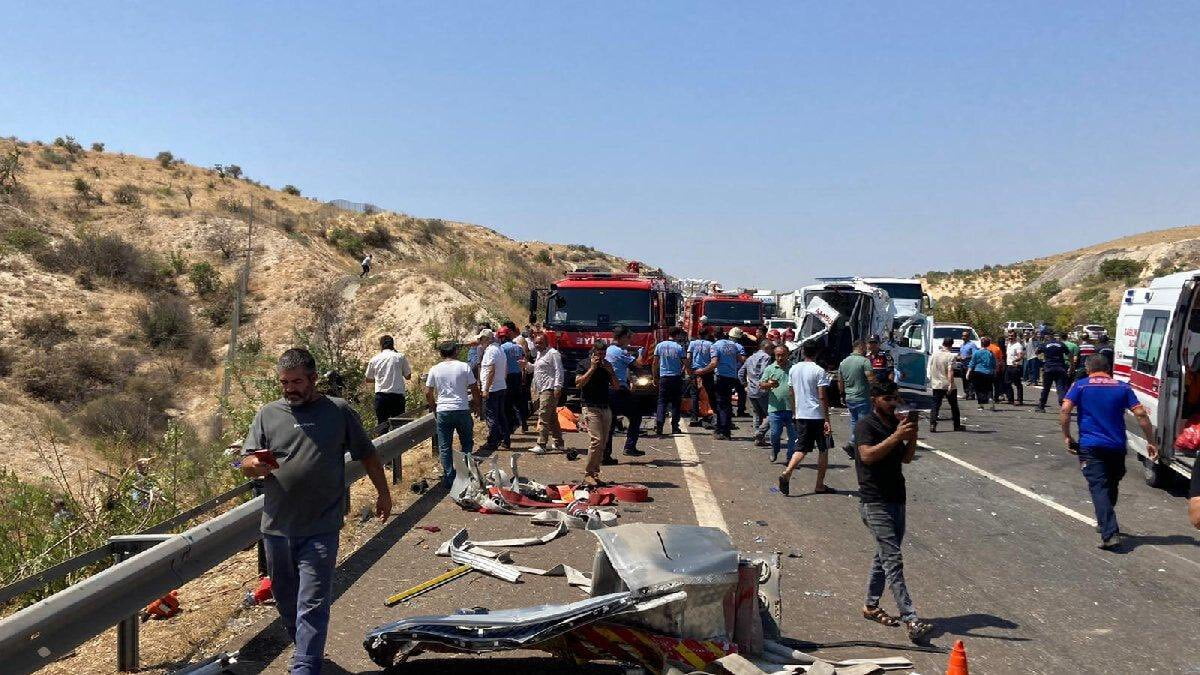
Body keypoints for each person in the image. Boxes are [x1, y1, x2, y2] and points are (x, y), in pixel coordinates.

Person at [240, 348, 391, 675]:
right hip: (277, 528)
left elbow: (368, 455)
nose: (290, 388)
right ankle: (307, 653)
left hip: (321, 526)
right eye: (284, 382)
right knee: (287, 601)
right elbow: (246, 460)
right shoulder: (268, 414)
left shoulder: (338, 411)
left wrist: (383, 493)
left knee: (313, 602)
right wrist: (252, 465)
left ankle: (304, 667)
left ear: (313, 378)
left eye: (297, 381)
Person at [853, 380, 932, 641]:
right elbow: (866, 456)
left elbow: (906, 458)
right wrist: (897, 436)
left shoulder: (893, 424)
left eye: (896, 399)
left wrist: (912, 434)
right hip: (874, 501)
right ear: (875, 399)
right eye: (889, 399)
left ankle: (871, 605)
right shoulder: (866, 425)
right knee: (893, 559)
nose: (894, 403)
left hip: (897, 498)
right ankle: (910, 617)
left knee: (883, 556)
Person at [1061, 354, 1159, 549]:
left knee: (1099, 487)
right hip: (1116, 446)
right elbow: (1140, 413)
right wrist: (1151, 441)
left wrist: (1067, 436)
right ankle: (1106, 522)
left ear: (1088, 369)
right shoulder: (1122, 387)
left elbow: (1065, 410)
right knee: (1111, 482)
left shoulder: (1080, 386)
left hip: (1090, 445)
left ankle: (1110, 533)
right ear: (1109, 369)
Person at [778, 342, 834, 495]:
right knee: (823, 449)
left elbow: (791, 392)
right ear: (816, 354)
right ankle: (819, 485)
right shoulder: (819, 371)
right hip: (817, 415)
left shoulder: (794, 369)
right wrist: (827, 419)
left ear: (803, 352)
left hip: (801, 414)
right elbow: (822, 396)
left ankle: (787, 472)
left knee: (801, 448)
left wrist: (795, 412)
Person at [424, 341, 480, 487]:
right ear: (455, 352)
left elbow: (428, 392)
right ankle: (465, 475)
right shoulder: (464, 366)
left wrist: (434, 406)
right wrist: (477, 405)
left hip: (443, 410)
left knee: (445, 446)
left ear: (441, 354)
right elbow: (474, 388)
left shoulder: (435, 369)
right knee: (466, 443)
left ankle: (449, 478)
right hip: (462, 409)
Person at [576, 341, 619, 486]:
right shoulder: (584, 364)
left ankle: (595, 473)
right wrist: (592, 369)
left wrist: (611, 372)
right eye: (598, 354)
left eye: (603, 354)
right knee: (596, 440)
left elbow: (616, 386)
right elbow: (579, 383)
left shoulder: (607, 365)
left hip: (605, 407)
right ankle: (588, 473)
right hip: (590, 407)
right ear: (593, 352)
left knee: (603, 442)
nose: (601, 357)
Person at [605, 325, 649, 459]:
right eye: (628, 337)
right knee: (636, 416)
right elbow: (638, 365)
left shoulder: (610, 349)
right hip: (619, 390)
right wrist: (641, 353)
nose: (629, 340)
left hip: (608, 389)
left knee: (610, 423)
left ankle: (606, 455)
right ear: (622, 337)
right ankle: (630, 447)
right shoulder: (621, 352)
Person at [364, 335, 412, 428]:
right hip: (397, 397)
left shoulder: (374, 359)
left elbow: (368, 379)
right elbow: (408, 376)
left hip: (381, 397)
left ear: (381, 345)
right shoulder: (400, 357)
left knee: (382, 426)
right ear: (393, 345)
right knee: (399, 427)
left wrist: (379, 379)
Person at [529, 333, 565, 455]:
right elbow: (537, 368)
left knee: (543, 416)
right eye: (536, 342)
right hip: (541, 389)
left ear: (546, 343)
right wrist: (527, 366)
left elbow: (559, 370)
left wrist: (558, 387)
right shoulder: (540, 354)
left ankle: (541, 444)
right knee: (552, 418)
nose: (537, 345)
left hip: (549, 389)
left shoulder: (553, 353)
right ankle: (559, 443)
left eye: (540, 342)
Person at [759, 345, 796, 463]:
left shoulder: (794, 368)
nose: (780, 358)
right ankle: (775, 449)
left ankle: (790, 458)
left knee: (793, 436)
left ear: (788, 355)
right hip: (775, 408)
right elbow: (761, 384)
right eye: (777, 355)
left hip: (792, 408)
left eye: (782, 355)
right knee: (774, 434)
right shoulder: (770, 369)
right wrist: (770, 384)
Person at [838, 340, 875, 455]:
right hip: (862, 397)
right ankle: (855, 445)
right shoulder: (865, 362)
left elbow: (840, 381)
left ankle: (854, 445)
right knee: (863, 423)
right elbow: (871, 380)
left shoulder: (843, 362)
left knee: (855, 421)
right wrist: (875, 392)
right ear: (861, 347)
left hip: (850, 398)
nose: (867, 349)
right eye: (865, 347)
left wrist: (842, 394)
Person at [653, 327, 691, 436]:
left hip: (664, 377)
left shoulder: (659, 346)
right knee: (675, 403)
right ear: (677, 335)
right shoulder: (679, 347)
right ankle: (675, 427)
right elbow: (686, 362)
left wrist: (655, 376)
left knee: (662, 402)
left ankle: (659, 426)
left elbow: (655, 363)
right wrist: (691, 374)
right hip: (676, 377)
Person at [476, 328, 509, 453]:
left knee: (492, 417)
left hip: (493, 388)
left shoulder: (490, 351)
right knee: (501, 415)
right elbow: (505, 369)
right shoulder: (500, 349)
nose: (480, 341)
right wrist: (502, 381)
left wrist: (486, 389)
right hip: (501, 386)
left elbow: (491, 370)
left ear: (486, 339)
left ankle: (493, 442)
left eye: (481, 339)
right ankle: (505, 440)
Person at [709, 329, 746, 440]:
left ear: (715, 336)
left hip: (721, 377)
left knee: (721, 404)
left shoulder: (715, 346)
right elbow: (741, 359)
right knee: (727, 403)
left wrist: (702, 370)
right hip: (732, 377)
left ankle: (723, 431)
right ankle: (724, 429)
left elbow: (714, 363)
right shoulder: (733, 346)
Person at [740, 338, 774, 447]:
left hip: (751, 390)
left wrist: (745, 385)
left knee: (757, 414)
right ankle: (759, 433)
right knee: (772, 414)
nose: (773, 351)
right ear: (766, 347)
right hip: (762, 390)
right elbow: (765, 371)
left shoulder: (750, 358)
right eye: (772, 348)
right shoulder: (766, 357)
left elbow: (740, 373)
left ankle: (758, 438)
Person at [928, 337, 963, 432]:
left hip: (936, 383)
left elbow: (930, 367)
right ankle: (956, 425)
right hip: (946, 383)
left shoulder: (934, 354)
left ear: (943, 343)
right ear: (951, 345)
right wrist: (951, 384)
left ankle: (932, 424)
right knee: (954, 406)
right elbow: (950, 371)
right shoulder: (950, 356)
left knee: (935, 405)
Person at [687, 328, 716, 427]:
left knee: (695, 395)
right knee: (709, 394)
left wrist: (689, 371)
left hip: (695, 371)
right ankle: (708, 414)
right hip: (707, 371)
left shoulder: (693, 343)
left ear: (698, 334)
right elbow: (713, 359)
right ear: (707, 334)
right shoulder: (711, 345)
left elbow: (688, 358)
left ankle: (694, 417)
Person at [1037, 332, 1072, 412]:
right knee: (1060, 387)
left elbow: (1037, 353)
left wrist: (1042, 361)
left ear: (1047, 336)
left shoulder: (1044, 344)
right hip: (1060, 368)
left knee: (1046, 388)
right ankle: (1062, 401)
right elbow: (1069, 354)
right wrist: (1072, 365)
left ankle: (1041, 406)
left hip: (1048, 368)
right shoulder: (1061, 344)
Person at [967, 336, 998, 412]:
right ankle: (990, 399)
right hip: (989, 372)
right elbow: (994, 364)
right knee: (989, 387)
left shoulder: (977, 352)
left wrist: (968, 372)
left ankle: (981, 405)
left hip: (978, 372)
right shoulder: (990, 353)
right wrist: (994, 371)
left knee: (979, 389)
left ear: (981, 344)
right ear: (988, 344)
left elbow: (972, 363)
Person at [730, 327, 754, 417]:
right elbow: (743, 359)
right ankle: (740, 411)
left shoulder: (726, 345)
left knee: (728, 392)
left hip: (728, 372)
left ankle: (729, 411)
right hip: (738, 372)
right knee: (741, 392)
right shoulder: (739, 346)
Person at [1004, 331, 1025, 405]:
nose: (1010, 337)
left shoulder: (1018, 345)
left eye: (1012, 336)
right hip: (1008, 366)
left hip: (1015, 367)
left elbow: (1021, 356)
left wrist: (1015, 360)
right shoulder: (1009, 344)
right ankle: (1010, 399)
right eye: (1009, 336)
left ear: (1015, 337)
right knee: (1007, 383)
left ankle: (1019, 400)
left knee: (1017, 384)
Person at [957, 331, 978, 399]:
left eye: (965, 336)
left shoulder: (972, 345)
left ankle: (971, 394)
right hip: (962, 365)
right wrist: (958, 357)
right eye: (963, 335)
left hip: (969, 365)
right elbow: (960, 353)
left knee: (970, 380)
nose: (963, 337)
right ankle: (966, 393)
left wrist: (967, 357)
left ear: (968, 337)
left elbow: (975, 355)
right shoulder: (962, 345)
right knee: (964, 380)